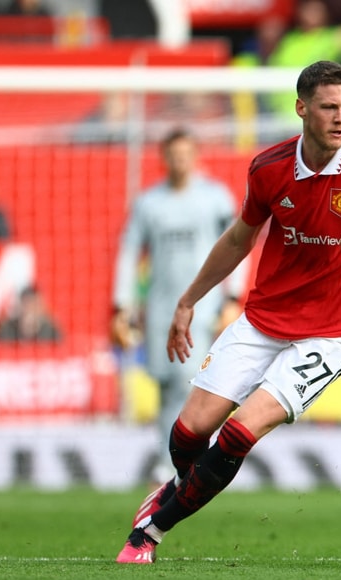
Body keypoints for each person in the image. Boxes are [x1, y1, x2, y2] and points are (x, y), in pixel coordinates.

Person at [115, 60, 341, 564]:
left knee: (241, 431)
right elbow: (240, 238)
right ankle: (179, 488)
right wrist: (189, 299)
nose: (340, 118)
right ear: (301, 108)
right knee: (188, 433)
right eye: (329, 107)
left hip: (334, 332)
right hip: (264, 319)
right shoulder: (268, 168)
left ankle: (150, 532)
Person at [111, 127, 246, 482]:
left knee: (196, 382)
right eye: (173, 154)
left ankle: (197, 461)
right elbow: (128, 253)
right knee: (166, 383)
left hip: (206, 306)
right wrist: (122, 304)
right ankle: (166, 459)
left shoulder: (215, 197)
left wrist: (233, 296)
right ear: (164, 158)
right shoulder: (148, 203)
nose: (180, 160)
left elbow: (240, 243)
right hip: (160, 307)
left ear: (195, 155)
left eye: (186, 153)